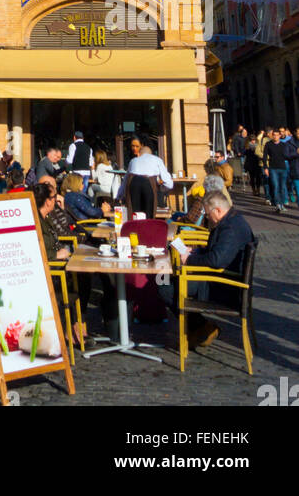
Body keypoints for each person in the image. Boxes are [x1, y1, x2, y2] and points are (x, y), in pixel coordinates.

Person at [171, 191, 255, 349]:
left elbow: (216, 260)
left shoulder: (231, 228)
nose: (207, 218)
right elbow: (216, 252)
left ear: (217, 210)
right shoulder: (231, 221)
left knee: (166, 287)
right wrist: (196, 252)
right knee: (169, 283)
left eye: (208, 214)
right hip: (222, 281)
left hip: (224, 288)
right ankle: (200, 327)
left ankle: (201, 327)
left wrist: (189, 260)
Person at [118, 137, 173, 217]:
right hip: (148, 183)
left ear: (140, 154)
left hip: (133, 183)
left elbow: (125, 181)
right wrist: (161, 188)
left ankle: (134, 228)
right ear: (151, 154)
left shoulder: (133, 161)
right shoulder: (157, 160)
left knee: (134, 215)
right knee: (148, 215)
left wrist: (119, 196)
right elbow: (169, 184)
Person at [263, 129, 289, 213]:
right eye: (274, 135)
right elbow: (264, 156)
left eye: (277, 135)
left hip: (282, 168)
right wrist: (265, 167)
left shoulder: (283, 145)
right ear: (272, 135)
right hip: (273, 168)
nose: (275, 136)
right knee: (275, 186)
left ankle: (282, 204)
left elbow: (287, 155)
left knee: (282, 187)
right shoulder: (268, 144)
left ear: (280, 136)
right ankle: (278, 204)